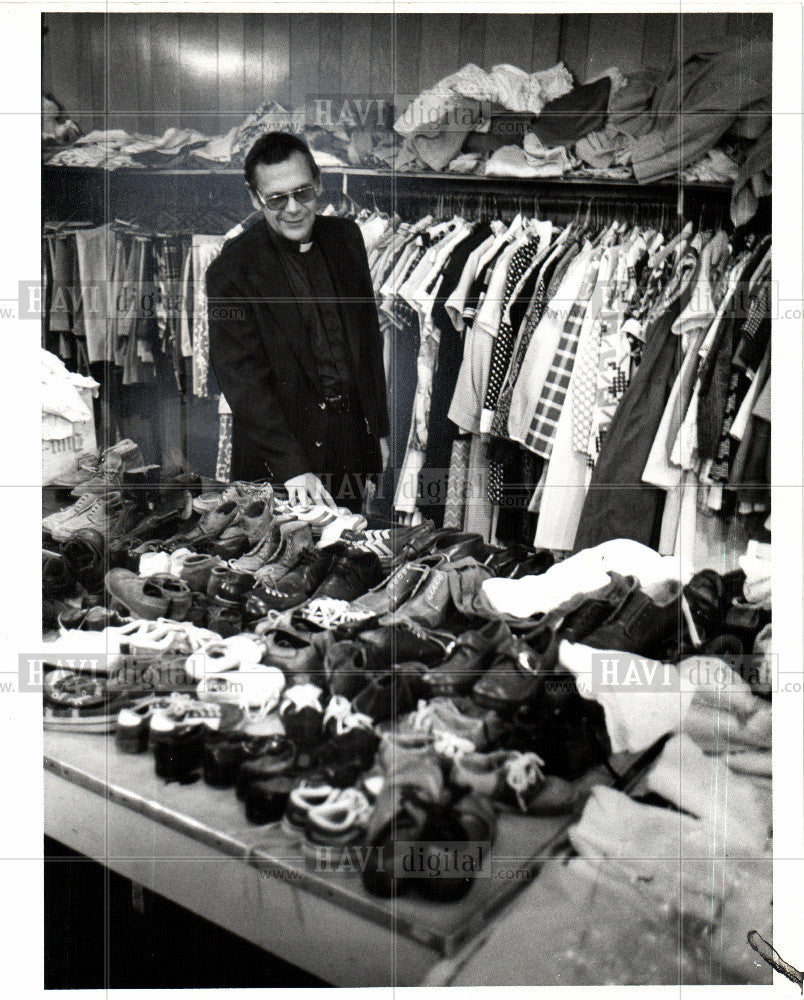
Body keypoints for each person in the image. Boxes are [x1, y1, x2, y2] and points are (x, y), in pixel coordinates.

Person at [206, 132, 389, 511]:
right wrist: (291, 467)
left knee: (349, 554)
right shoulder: (232, 269)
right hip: (279, 457)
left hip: (349, 443)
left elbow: (367, 339)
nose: (293, 208)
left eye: (303, 193)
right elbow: (240, 378)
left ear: (319, 183)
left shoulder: (346, 238)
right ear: (255, 198)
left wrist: (378, 431)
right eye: (276, 199)